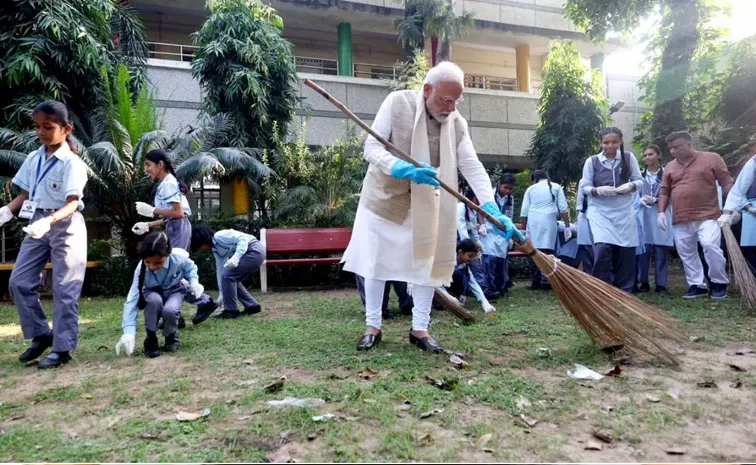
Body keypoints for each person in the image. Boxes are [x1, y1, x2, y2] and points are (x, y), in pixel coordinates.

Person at [341, 61, 519, 353]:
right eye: (445, 100)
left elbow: (471, 166)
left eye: (456, 101)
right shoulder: (397, 103)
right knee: (376, 263)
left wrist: (490, 205)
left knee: (426, 264)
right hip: (384, 198)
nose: (450, 108)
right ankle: (373, 326)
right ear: (427, 90)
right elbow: (371, 149)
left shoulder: (457, 123)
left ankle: (420, 329)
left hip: (425, 203)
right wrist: (400, 168)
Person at [0, 102, 88, 369]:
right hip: (37, 221)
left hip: (65, 224)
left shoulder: (72, 163)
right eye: (37, 127)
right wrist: (5, 212)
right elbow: (26, 194)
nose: (41, 132)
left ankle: (62, 348)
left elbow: (73, 201)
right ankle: (41, 334)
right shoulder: (34, 158)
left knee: (65, 287)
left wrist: (50, 220)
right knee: (19, 281)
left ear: (66, 129)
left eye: (48, 127)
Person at [133, 149, 215, 326]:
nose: (146, 169)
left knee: (173, 269)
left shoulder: (168, 183)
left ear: (160, 164)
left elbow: (177, 213)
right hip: (176, 225)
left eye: (148, 165)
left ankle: (204, 302)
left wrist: (152, 210)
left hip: (178, 227)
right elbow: (172, 215)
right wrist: (148, 225)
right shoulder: (167, 183)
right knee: (172, 269)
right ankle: (178, 315)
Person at [658, 131, 734, 299]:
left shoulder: (712, 158)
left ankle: (719, 282)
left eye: (677, 146)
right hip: (680, 217)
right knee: (686, 252)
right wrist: (661, 212)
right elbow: (665, 191)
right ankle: (697, 285)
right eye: (670, 148)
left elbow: (726, 182)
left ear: (689, 143)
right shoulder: (670, 167)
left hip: (708, 214)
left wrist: (731, 207)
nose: (673, 151)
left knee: (710, 246)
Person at [115, 232, 208, 358]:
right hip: (152, 292)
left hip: (174, 290)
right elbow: (132, 299)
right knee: (153, 301)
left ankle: (171, 336)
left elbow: (191, 268)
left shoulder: (179, 258)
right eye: (148, 262)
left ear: (167, 254)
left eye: (158, 263)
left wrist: (194, 282)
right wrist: (128, 332)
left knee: (170, 310)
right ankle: (151, 339)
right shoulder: (140, 269)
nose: (152, 267)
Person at [579, 127, 643, 293]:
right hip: (600, 210)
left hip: (623, 209)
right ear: (601, 143)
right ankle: (601, 288)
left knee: (626, 249)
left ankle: (625, 288)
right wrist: (597, 190)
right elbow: (584, 186)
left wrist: (631, 185)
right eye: (606, 142)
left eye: (614, 142)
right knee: (601, 248)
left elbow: (639, 180)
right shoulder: (592, 161)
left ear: (620, 141)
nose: (610, 146)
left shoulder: (628, 158)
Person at [191, 225, 266, 320]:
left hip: (254, 250)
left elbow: (242, 239)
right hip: (251, 253)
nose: (200, 250)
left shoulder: (220, 236)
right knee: (229, 278)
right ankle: (252, 306)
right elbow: (220, 270)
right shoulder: (216, 250)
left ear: (202, 240)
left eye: (198, 246)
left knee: (228, 276)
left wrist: (236, 257)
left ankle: (231, 311)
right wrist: (222, 293)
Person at [520, 170, 570, 290]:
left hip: (533, 222)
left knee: (533, 251)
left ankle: (535, 281)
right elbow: (563, 209)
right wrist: (567, 226)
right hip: (549, 221)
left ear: (535, 179)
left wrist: (523, 230)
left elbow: (524, 212)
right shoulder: (556, 187)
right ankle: (547, 281)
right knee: (548, 251)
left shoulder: (531, 189)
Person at [636, 144, 673, 294]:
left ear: (659, 155)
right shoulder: (640, 175)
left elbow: (673, 193)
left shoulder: (667, 174)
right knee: (643, 250)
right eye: (645, 155)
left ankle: (661, 284)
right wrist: (640, 200)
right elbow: (633, 195)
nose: (647, 158)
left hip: (661, 213)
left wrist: (657, 200)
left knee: (660, 249)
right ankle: (643, 282)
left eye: (650, 154)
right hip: (643, 214)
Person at [721, 140, 756, 273]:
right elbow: (739, 190)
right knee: (753, 251)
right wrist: (728, 212)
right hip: (753, 213)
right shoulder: (753, 162)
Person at [446, 239, 496, 313]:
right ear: (460, 252)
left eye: (473, 257)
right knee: (458, 275)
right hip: (438, 288)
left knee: (463, 277)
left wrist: (484, 301)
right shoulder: (447, 261)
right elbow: (437, 283)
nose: (471, 259)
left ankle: (457, 299)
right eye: (470, 256)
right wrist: (447, 297)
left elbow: (472, 282)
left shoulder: (464, 265)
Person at [456, 187, 488, 296]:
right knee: (462, 269)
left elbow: (473, 229)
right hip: (461, 242)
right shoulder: (461, 207)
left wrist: (478, 243)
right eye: (477, 199)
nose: (478, 202)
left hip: (469, 242)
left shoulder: (472, 210)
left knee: (476, 265)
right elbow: (461, 227)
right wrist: (468, 245)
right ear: (471, 197)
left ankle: (481, 291)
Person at [494, 173, 516, 290]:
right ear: (499, 184)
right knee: (491, 260)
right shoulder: (490, 195)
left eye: (510, 189)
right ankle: (492, 285)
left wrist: (510, 234)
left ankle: (503, 284)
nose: (507, 191)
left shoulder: (510, 199)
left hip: (504, 232)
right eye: (505, 187)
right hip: (491, 230)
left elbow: (510, 216)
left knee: (503, 259)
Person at [575, 181, 595, 273]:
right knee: (586, 249)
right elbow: (580, 202)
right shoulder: (584, 181)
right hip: (585, 215)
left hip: (597, 215)